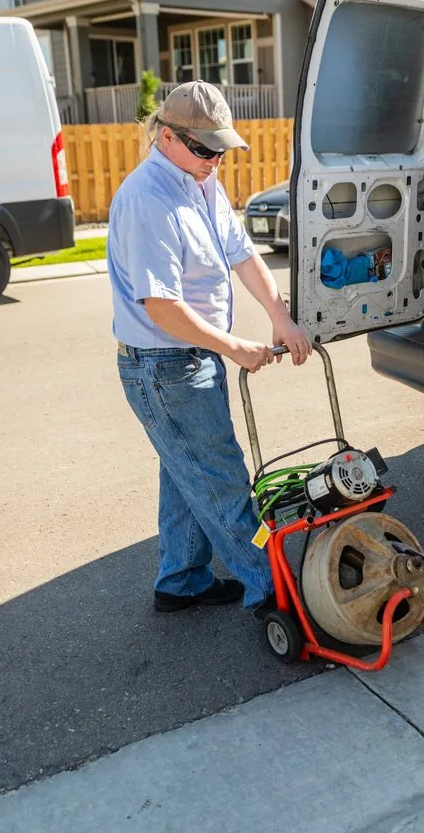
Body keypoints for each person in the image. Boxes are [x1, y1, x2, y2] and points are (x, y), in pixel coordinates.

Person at [107, 80, 311, 614]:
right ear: (167, 137)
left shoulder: (201, 182)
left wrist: (279, 317)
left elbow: (243, 254)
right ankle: (275, 592)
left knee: (187, 473)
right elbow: (162, 307)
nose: (213, 159)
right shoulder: (148, 198)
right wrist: (235, 346)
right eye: (203, 148)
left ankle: (181, 580)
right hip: (165, 364)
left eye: (219, 148)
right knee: (220, 480)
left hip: (188, 360)